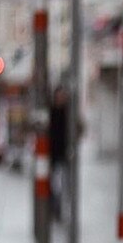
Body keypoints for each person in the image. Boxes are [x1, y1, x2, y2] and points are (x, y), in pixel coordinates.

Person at [49, 85, 69, 222]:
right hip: (53, 156)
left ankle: (57, 209)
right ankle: (55, 208)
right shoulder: (51, 113)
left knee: (60, 185)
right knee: (55, 185)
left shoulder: (68, 114)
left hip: (63, 155)